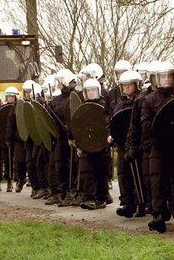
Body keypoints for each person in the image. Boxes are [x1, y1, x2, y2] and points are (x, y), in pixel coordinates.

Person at [144, 62, 174, 233]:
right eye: (163, 77)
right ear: (157, 79)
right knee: (158, 182)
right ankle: (159, 216)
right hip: (158, 146)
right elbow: (146, 125)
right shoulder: (149, 100)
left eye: (169, 76)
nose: (166, 80)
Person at [114, 70, 144, 218]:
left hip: (138, 144)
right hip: (122, 144)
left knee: (139, 174)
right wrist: (111, 135)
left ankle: (142, 203)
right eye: (124, 85)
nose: (126, 88)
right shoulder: (120, 105)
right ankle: (127, 204)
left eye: (129, 85)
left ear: (136, 85)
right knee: (123, 174)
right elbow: (115, 123)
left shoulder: (142, 101)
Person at [78, 78, 111, 210]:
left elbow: (108, 124)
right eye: (88, 91)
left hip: (102, 145)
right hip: (87, 144)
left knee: (101, 171)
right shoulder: (82, 108)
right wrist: (78, 144)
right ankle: (89, 198)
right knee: (86, 170)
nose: (91, 93)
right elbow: (78, 127)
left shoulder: (104, 106)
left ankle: (102, 197)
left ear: (98, 91)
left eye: (93, 90)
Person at [50, 69, 78, 206]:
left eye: (60, 82)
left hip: (74, 138)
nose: (58, 85)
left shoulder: (77, 96)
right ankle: (63, 192)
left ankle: (72, 193)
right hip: (60, 137)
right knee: (60, 164)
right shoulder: (56, 100)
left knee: (73, 165)